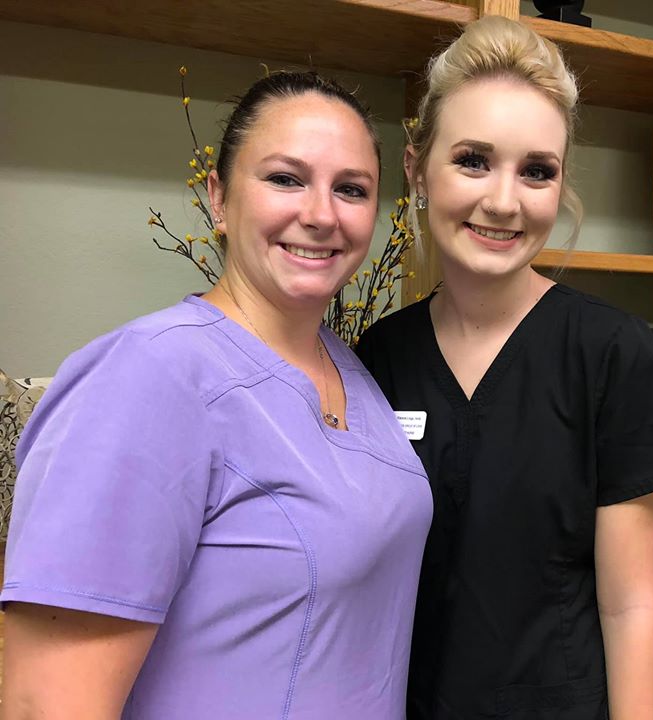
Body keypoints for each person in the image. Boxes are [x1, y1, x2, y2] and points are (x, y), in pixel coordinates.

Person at [1, 71, 432, 719]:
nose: (320, 213)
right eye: (285, 178)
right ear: (219, 200)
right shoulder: (149, 377)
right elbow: (47, 703)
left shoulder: (357, 373)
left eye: (351, 189)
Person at [356, 16, 653, 720]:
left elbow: (631, 604)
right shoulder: (380, 356)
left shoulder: (611, 353)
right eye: (474, 160)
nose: (505, 201)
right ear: (418, 167)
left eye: (537, 171)